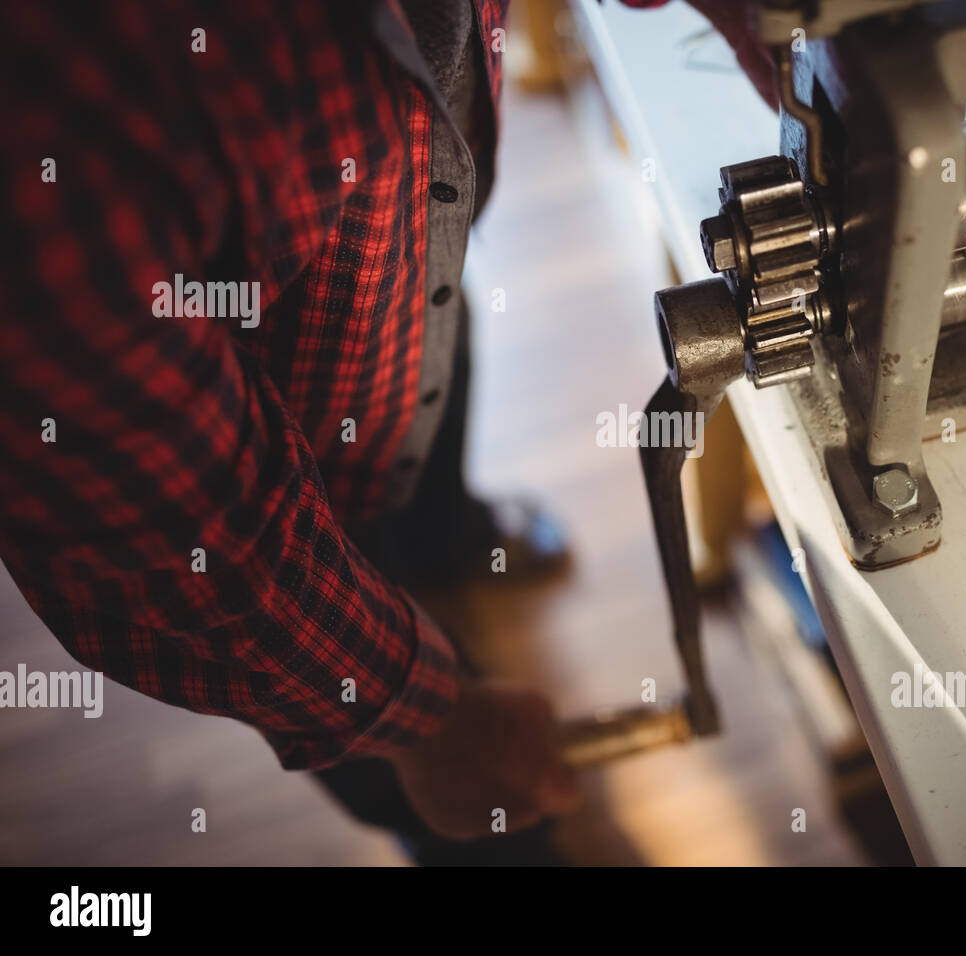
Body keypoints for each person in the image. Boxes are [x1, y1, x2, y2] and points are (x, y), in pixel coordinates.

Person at [0, 0, 774, 862]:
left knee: (437, 379)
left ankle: (449, 533)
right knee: (489, 796)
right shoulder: (50, 97)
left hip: (397, 254)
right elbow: (185, 537)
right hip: (291, 494)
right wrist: (424, 717)